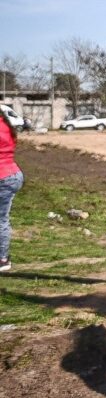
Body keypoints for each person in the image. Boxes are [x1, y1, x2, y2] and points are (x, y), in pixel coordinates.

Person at [0, 106, 24, 273]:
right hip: (12, 174)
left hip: (3, 177)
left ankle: (2, 259)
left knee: (1, 220)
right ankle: (3, 257)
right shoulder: (6, 125)